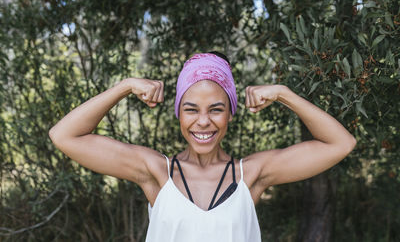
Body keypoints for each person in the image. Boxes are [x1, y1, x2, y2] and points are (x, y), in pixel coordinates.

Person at [49, 52, 356, 242]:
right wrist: (124, 86)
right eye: (192, 109)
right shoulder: (156, 172)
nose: (204, 122)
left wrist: (283, 93)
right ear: (178, 114)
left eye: (216, 109)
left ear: (231, 113)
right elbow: (65, 136)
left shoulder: (251, 175)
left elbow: (341, 143)